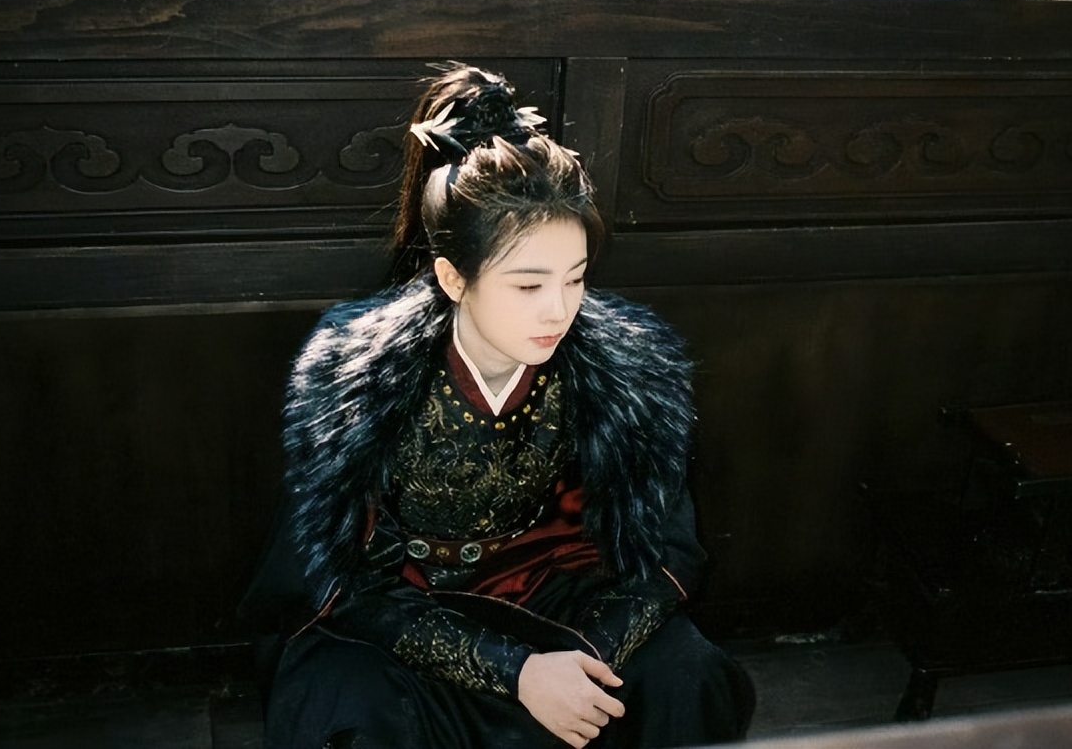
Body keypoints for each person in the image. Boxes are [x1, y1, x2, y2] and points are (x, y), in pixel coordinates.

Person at [248, 63, 755, 749]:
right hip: (409, 618)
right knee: (350, 712)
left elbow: (667, 549)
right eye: (527, 286)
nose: (558, 311)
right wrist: (515, 672)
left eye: (575, 279)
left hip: (559, 599)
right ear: (454, 277)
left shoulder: (627, 372)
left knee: (684, 673)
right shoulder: (359, 382)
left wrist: (580, 661)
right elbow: (344, 582)